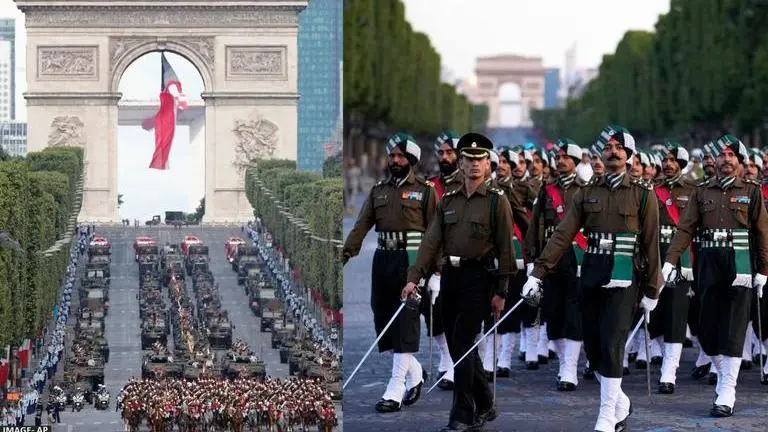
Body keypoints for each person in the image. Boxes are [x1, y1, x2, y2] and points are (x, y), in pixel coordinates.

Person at [523, 125, 662, 432]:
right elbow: (563, 234)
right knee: (595, 348)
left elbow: (651, 244)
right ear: (600, 154)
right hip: (592, 275)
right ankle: (621, 402)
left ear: (629, 155)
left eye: (619, 148)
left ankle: (606, 415)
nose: (613, 151)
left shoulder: (643, 196)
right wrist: (538, 272)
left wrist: (653, 288)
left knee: (613, 343)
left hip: (625, 279)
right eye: (608, 147)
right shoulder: (586, 194)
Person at [402, 132, 515, 431]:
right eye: (469, 159)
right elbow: (430, 242)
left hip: (479, 279)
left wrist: (502, 291)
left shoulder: (496, 202)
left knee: (463, 343)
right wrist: (414, 278)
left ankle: (462, 414)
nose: (474, 165)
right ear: (461, 163)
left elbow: (506, 248)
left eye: (480, 159)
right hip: (450, 276)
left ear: (488, 164)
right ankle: (487, 402)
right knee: (458, 346)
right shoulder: (448, 200)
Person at [664, 134, 768, 417]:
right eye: (721, 155)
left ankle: (727, 390)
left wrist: (763, 270)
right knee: (706, 330)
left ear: (739, 161)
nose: (725, 160)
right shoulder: (701, 191)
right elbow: (685, 228)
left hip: (740, 265)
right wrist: (670, 260)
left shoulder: (752, 191)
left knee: (734, 329)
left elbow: (761, 233)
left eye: (731, 155)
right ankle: (723, 374)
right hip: (708, 265)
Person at [343, 132, 437, 413]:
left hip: (411, 260)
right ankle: (415, 371)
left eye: (399, 156)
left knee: (405, 321)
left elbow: (436, 233)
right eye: (392, 155)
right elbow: (361, 225)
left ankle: (396, 387)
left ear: (411, 159)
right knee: (383, 316)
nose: (394, 160)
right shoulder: (379, 190)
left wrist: (436, 272)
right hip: (383, 259)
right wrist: (345, 253)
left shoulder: (426, 190)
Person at [524, 138, 587, 391]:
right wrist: (532, 261)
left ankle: (569, 368)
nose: (560, 161)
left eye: (565, 158)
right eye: (558, 157)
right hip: (551, 258)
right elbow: (534, 226)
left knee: (574, 313)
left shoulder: (586, 189)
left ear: (574, 161)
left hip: (576, 256)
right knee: (553, 312)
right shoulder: (545, 190)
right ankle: (564, 363)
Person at [646, 142, 696, 394]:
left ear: (682, 164)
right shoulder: (653, 190)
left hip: (680, 258)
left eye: (672, 160)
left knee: (676, 315)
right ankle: (657, 353)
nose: (667, 164)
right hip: (656, 256)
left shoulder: (693, 190)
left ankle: (669, 372)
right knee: (653, 312)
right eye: (664, 160)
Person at [425, 130, 464, 391]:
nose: (445, 156)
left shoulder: (470, 186)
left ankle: (458, 361)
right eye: (441, 152)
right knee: (433, 319)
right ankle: (447, 355)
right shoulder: (430, 187)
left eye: (450, 152)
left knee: (460, 317)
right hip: (435, 265)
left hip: (463, 263)